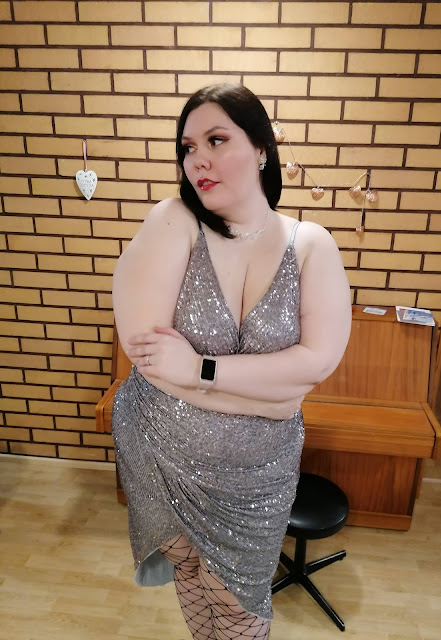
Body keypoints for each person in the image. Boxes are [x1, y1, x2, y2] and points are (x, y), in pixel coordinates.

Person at [111, 83, 351, 640]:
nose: (198, 159)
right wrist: (271, 399)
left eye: (216, 140)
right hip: (161, 455)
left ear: (262, 148)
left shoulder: (311, 244)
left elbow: (315, 363)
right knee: (191, 572)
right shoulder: (174, 220)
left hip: (258, 477)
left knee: (241, 608)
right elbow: (148, 359)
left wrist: (199, 369)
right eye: (187, 147)